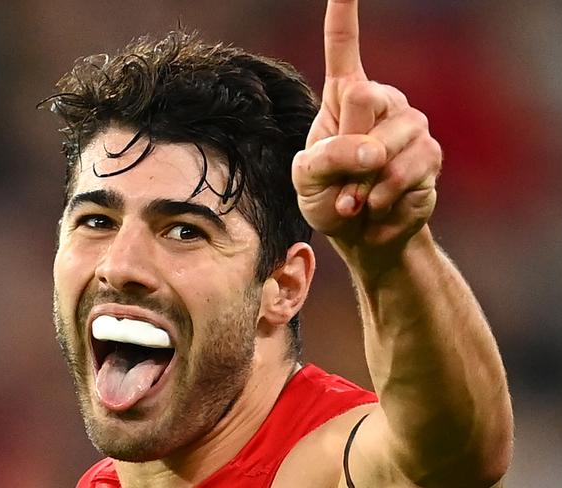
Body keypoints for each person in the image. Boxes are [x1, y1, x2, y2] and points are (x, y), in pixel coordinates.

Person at [44, 1, 513, 486]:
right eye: (97, 221)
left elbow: (454, 456)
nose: (120, 266)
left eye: (185, 231)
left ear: (284, 285)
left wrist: (391, 249)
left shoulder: (325, 463)